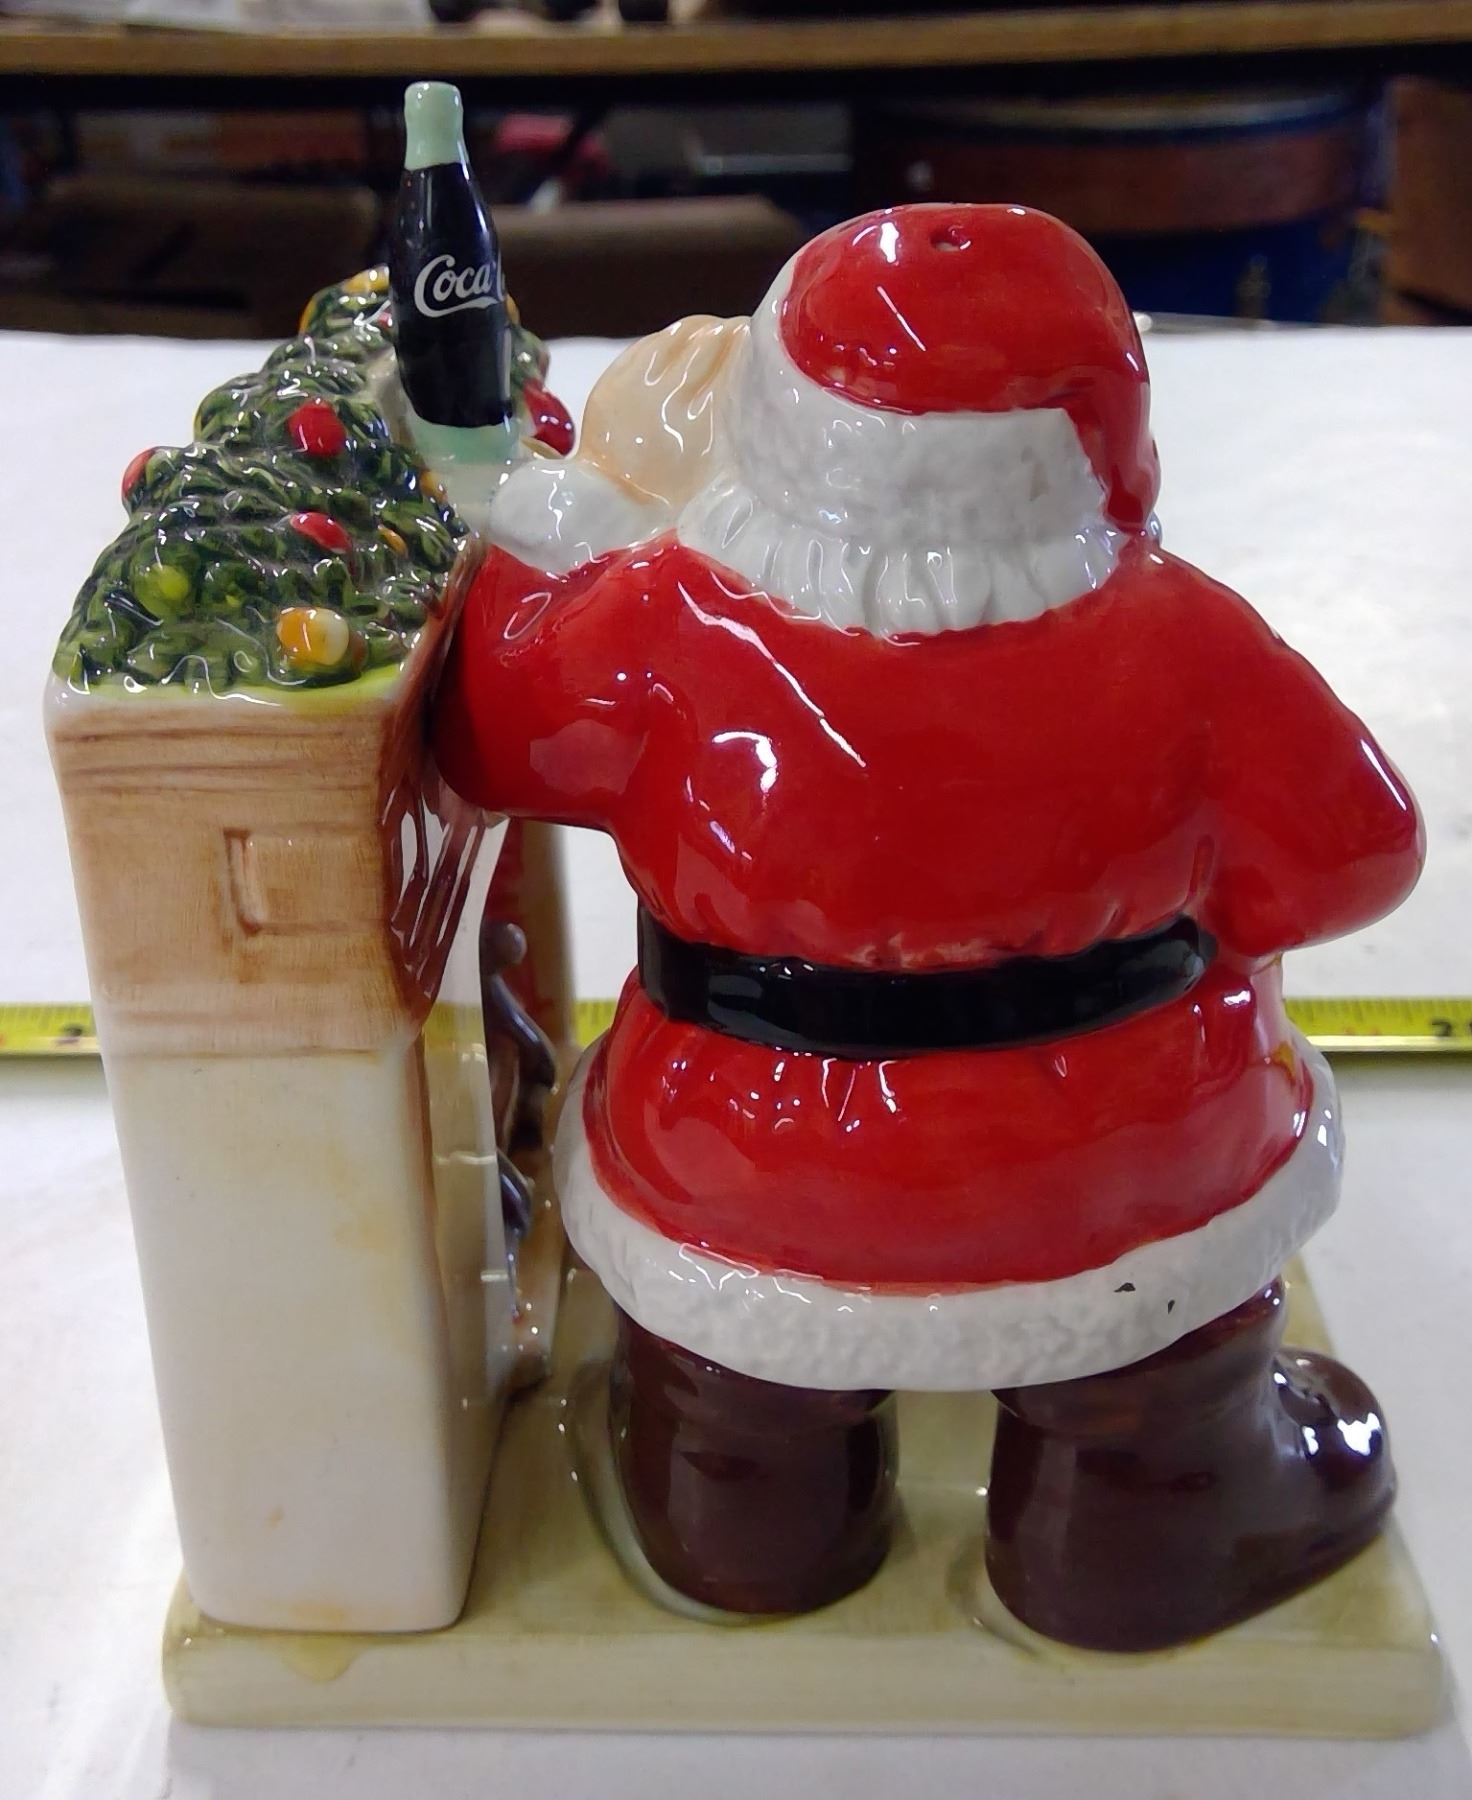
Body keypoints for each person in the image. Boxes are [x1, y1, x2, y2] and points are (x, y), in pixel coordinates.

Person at [430, 204, 1424, 1640]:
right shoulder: (1191, 642)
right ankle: (1137, 1533)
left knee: (734, 1393)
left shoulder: (663, 622)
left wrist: (560, 528)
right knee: (1153, 1371)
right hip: (1128, 1155)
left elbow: (493, 731)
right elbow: (1353, 858)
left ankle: (739, 1522)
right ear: (1101, 443)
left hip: (741, 1153)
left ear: (775, 424)